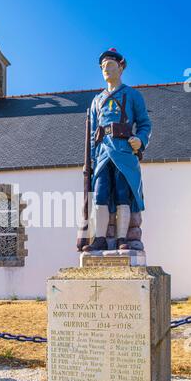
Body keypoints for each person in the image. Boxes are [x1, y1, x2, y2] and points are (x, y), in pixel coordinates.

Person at [83, 48, 152, 251]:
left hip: (124, 151)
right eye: (104, 66)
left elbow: (145, 123)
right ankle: (101, 238)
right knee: (100, 194)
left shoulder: (132, 95)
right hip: (103, 153)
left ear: (121, 67)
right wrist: (94, 160)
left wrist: (140, 140)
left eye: (111, 65)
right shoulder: (96, 100)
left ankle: (123, 238)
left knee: (123, 194)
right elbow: (95, 132)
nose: (107, 69)